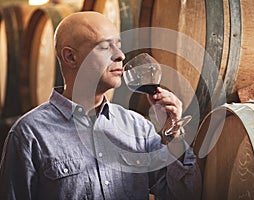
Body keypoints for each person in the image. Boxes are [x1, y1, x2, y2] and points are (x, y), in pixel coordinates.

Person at [0, 11, 201, 200]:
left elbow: (183, 194)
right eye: (106, 47)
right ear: (71, 57)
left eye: (119, 45)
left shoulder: (138, 127)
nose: (121, 55)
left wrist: (173, 135)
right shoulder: (29, 134)